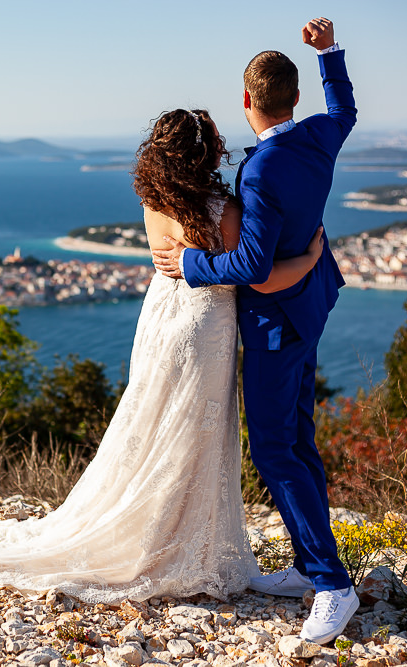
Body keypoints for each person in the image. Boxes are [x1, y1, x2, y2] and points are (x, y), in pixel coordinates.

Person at [0, 108, 323, 604]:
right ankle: (177, 543)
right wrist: (307, 260)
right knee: (193, 431)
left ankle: (151, 533)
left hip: (159, 320)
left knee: (151, 422)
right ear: (209, 153)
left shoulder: (152, 201)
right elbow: (255, 274)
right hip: (205, 326)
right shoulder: (224, 209)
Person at [151, 18, 358, 644]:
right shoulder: (322, 135)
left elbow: (251, 267)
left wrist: (190, 265)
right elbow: (345, 106)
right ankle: (306, 565)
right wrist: (328, 53)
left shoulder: (262, 171)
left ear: (247, 102)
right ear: (293, 98)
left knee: (274, 451)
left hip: (274, 325)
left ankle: (331, 583)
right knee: (298, 439)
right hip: (312, 305)